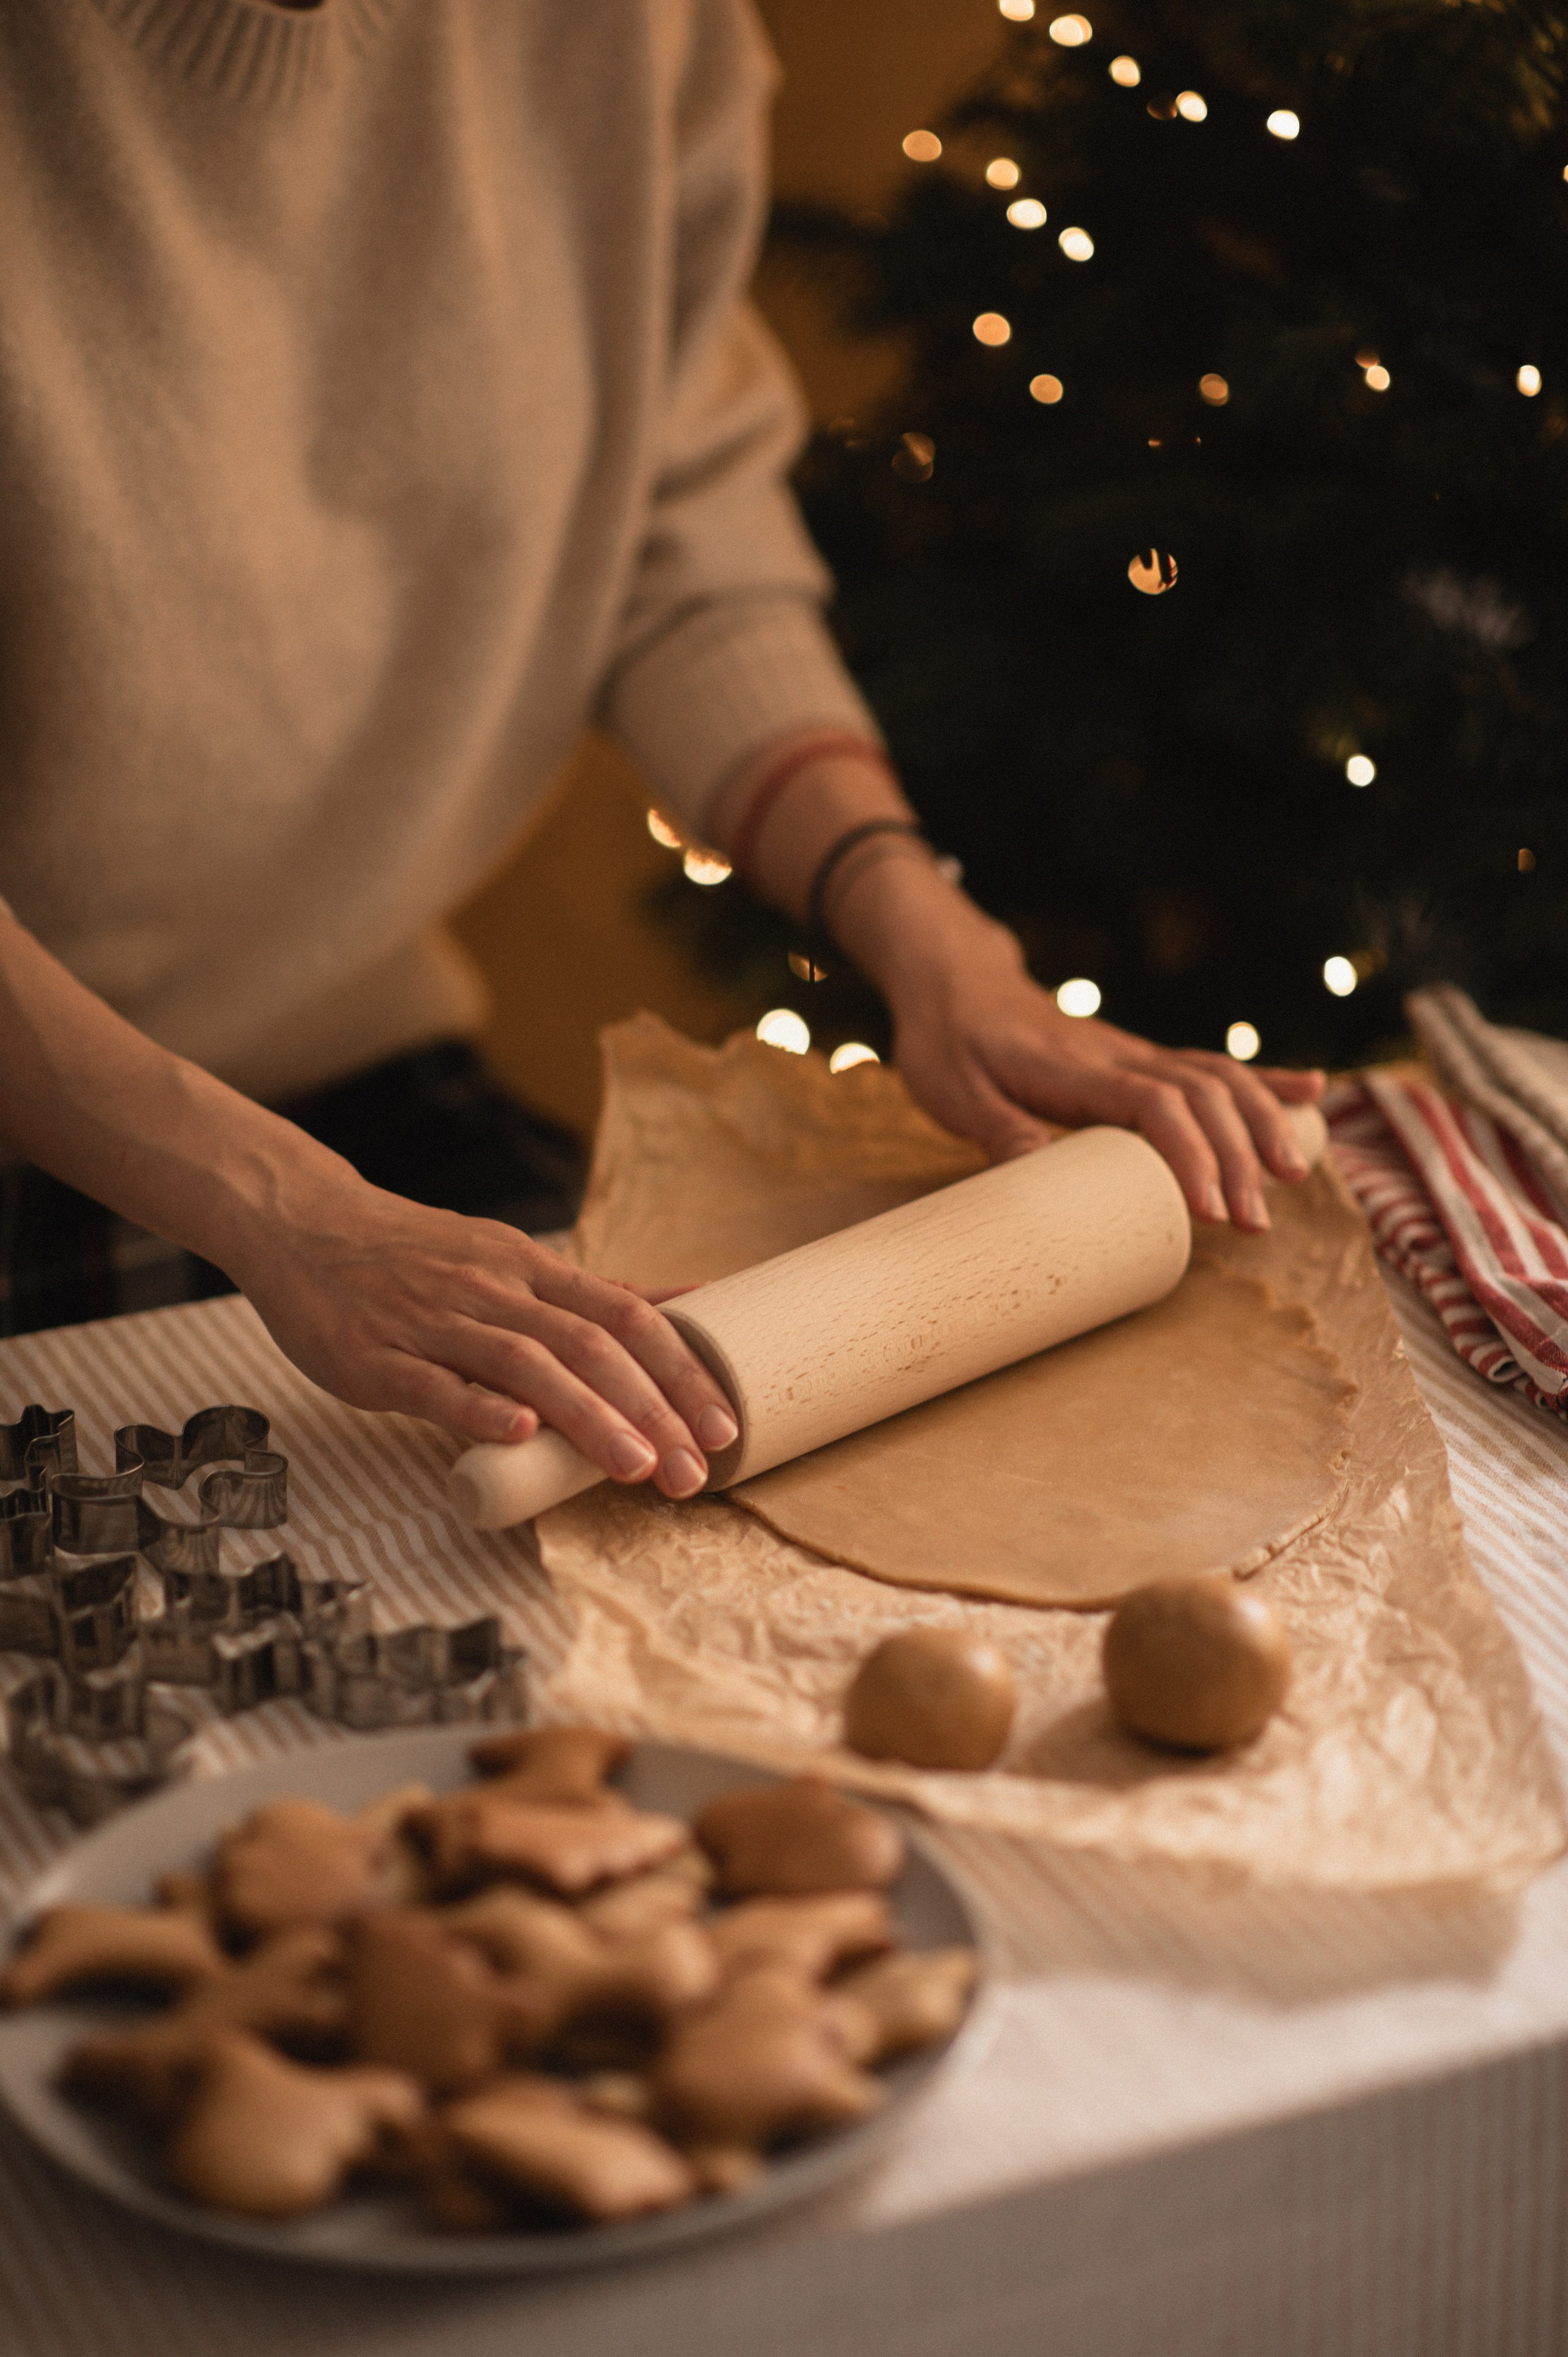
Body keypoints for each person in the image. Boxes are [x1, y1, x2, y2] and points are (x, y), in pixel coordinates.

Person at [0, 0, 1323, 1504]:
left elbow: (675, 536)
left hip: (350, 1074)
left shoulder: (628, 29)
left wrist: (937, 941)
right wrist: (278, 1208)